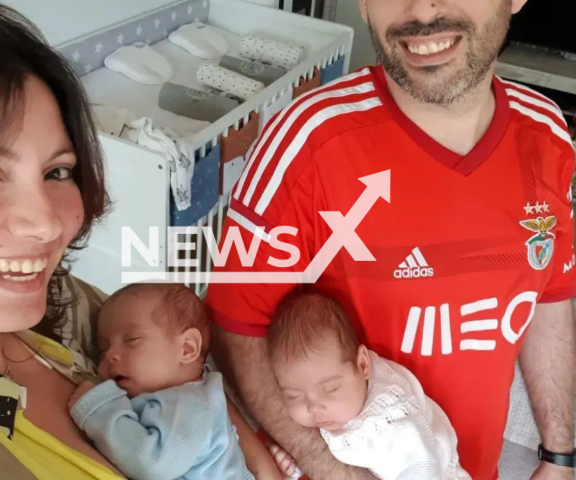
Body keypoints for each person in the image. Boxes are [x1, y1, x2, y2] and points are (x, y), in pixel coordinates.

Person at [207, 0, 576, 479]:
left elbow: (549, 293)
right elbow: (235, 327)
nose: (422, 9)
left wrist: (561, 455)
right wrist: (331, 469)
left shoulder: (546, 135)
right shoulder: (305, 141)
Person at [0, 2, 278, 479]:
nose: (48, 224)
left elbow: (190, 373)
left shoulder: (60, 301)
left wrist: (260, 462)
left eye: (58, 171)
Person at [267, 292, 470, 480]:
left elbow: (424, 465)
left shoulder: (391, 418)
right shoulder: (343, 394)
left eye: (329, 389)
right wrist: (293, 465)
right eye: (294, 396)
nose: (313, 407)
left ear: (363, 365)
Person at [68, 283, 255, 480]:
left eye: (132, 340)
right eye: (103, 349)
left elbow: (152, 462)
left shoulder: (191, 405)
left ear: (187, 348)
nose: (111, 355)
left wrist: (99, 408)